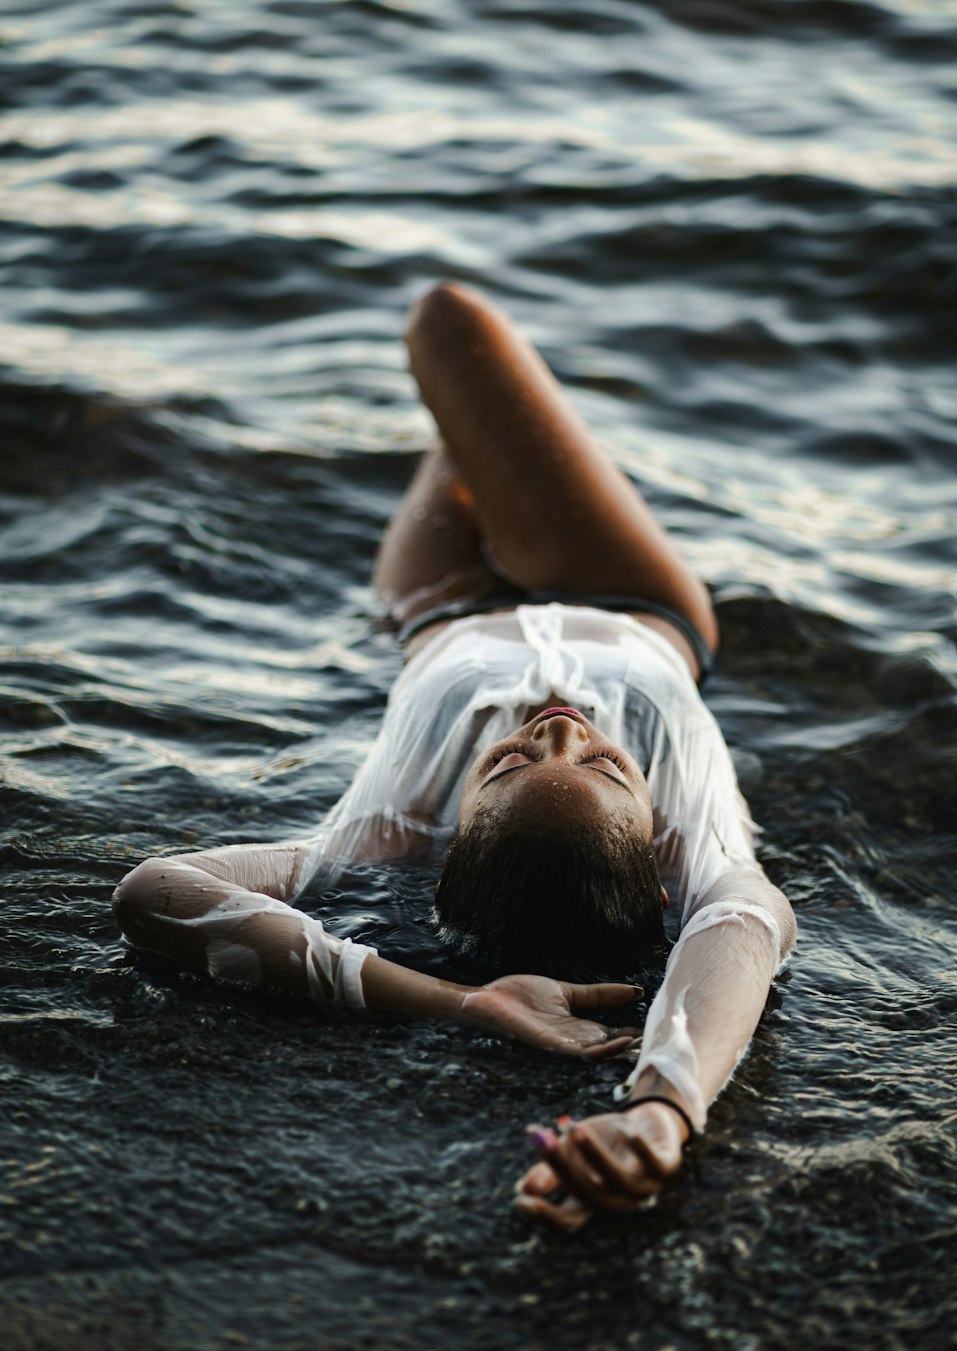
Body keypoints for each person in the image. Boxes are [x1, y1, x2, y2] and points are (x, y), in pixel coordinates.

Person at [112, 282, 796, 1231]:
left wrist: (458, 1003)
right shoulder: (694, 847)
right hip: (624, 592)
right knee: (454, 327)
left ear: (457, 828)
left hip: (434, 606)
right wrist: (663, 1107)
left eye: (509, 766)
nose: (560, 724)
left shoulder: (386, 836)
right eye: (605, 766)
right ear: (654, 839)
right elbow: (744, 932)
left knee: (453, 363)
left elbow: (153, 891)